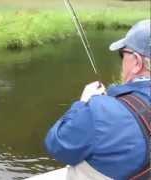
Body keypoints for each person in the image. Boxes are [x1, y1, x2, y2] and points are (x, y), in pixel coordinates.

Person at [44, 19, 150, 180]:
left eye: (123, 54)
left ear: (136, 61)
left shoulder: (98, 111)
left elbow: (57, 145)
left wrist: (83, 104)